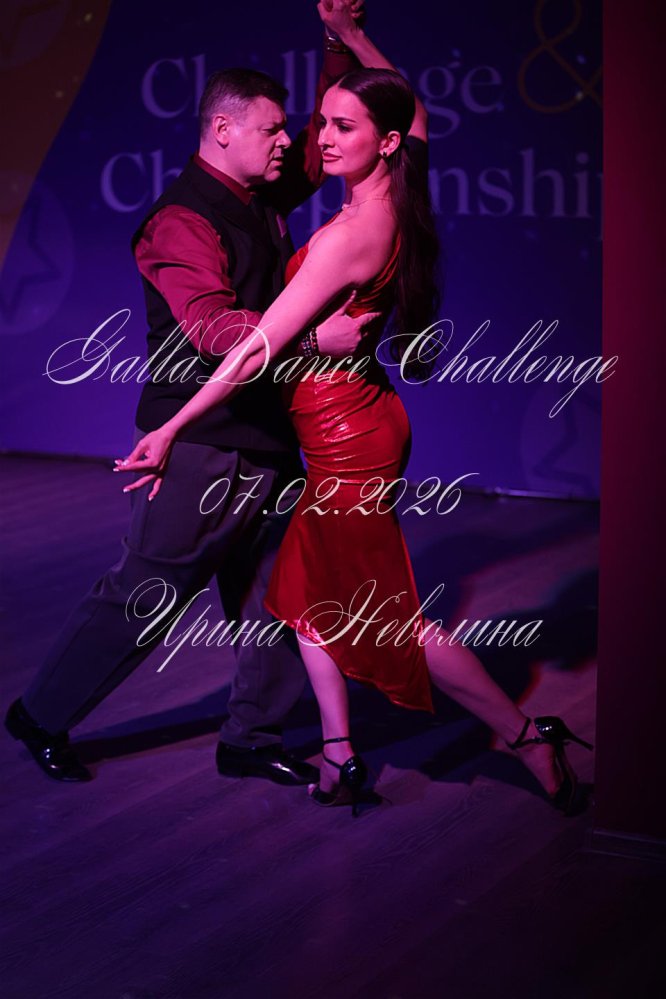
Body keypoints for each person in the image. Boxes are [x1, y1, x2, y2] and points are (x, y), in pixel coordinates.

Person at [117, 4, 594, 816]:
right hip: (360, 416)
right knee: (304, 594)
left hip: (346, 438)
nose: (321, 139)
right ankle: (340, 754)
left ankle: (524, 735)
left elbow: (255, 347)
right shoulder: (400, 190)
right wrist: (349, 35)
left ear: (386, 140)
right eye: (324, 123)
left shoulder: (347, 237)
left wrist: (169, 426)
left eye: (342, 126)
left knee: (383, 620)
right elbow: (417, 111)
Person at [5, 1, 375, 785]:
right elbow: (212, 328)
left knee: (279, 595)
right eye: (272, 130)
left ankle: (251, 736)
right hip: (205, 447)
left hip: (266, 436)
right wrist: (315, 338)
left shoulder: (257, 198)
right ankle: (39, 713)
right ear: (222, 131)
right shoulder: (179, 221)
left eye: (285, 129)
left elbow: (327, 140)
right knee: (147, 594)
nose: (289, 141)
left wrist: (338, 36)